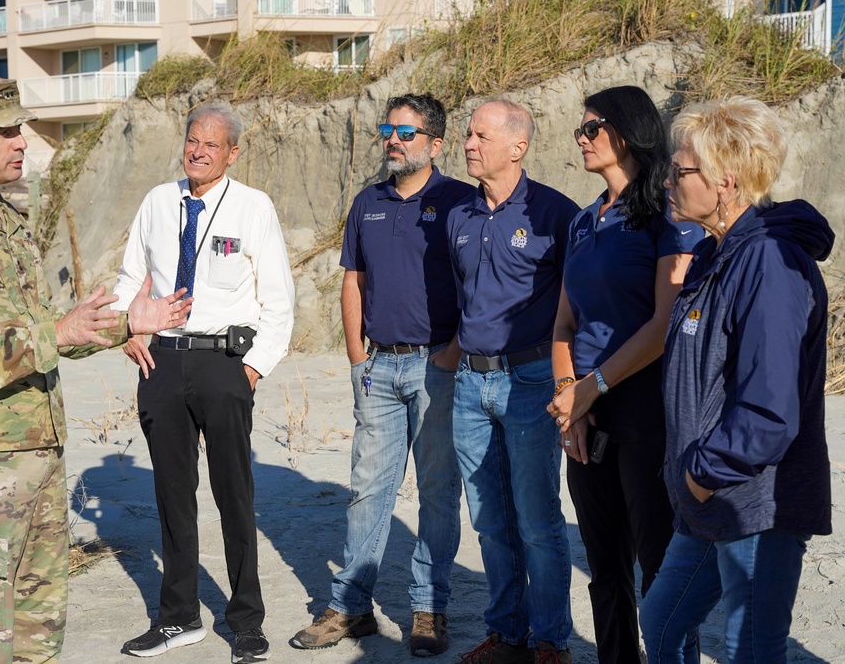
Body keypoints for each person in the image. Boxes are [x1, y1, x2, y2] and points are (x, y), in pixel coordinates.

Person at [0, 66, 192, 664]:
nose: (19, 140)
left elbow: (44, 333)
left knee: (37, 643)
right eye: (1, 130)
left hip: (40, 462)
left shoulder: (9, 222)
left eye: (19, 127)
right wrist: (60, 329)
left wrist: (126, 323)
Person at [640, 96, 834, 663]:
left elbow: (769, 407)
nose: (669, 180)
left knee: (750, 648)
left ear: (727, 181)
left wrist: (703, 472)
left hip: (753, 501)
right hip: (709, 500)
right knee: (661, 623)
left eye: (682, 170)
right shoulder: (715, 255)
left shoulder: (770, 261)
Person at [290, 94, 472, 657]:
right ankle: (350, 607)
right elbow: (353, 278)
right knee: (368, 489)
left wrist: (453, 352)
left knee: (438, 492)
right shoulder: (367, 201)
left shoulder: (461, 203)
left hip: (438, 364)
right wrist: (355, 356)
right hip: (378, 366)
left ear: (435, 144)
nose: (393, 139)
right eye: (387, 129)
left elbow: (479, 284)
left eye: (406, 132)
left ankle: (428, 608)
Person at [115, 104, 295, 663]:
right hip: (162, 363)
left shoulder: (253, 207)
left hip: (225, 363)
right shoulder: (156, 202)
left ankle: (246, 622)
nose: (197, 152)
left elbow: (279, 301)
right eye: (192, 141)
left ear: (232, 153)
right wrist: (129, 324)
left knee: (233, 496)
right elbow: (129, 277)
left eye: (211, 145)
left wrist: (250, 368)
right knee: (172, 495)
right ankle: (179, 618)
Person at [546, 86, 701, 664]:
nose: (581, 139)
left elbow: (665, 325)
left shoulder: (667, 213)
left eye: (592, 129)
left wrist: (593, 388)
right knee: (604, 566)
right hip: (586, 408)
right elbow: (563, 322)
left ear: (627, 131)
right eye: (580, 131)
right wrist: (570, 399)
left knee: (659, 567)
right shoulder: (584, 221)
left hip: (645, 410)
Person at [448, 99, 578, 664]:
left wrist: (571, 380)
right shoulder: (459, 214)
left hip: (530, 383)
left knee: (537, 519)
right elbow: (460, 296)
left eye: (480, 136)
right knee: (489, 520)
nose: (469, 144)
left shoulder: (556, 214)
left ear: (516, 147)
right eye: (468, 135)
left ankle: (551, 641)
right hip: (469, 387)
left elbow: (580, 304)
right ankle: (507, 634)